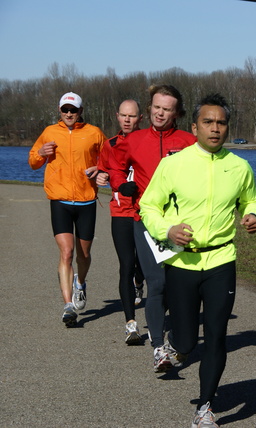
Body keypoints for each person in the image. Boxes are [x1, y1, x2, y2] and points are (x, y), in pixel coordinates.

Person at [139, 93, 256, 428]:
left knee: (217, 335)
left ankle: (204, 407)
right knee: (187, 340)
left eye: (221, 123)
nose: (215, 128)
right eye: (208, 122)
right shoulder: (174, 164)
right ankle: (174, 347)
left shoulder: (239, 166)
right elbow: (148, 206)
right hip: (182, 264)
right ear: (194, 126)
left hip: (222, 259)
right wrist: (168, 229)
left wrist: (253, 216)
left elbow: (252, 200)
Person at [108, 85, 196, 365]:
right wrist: (122, 184)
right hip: (144, 220)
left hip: (180, 224)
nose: (160, 113)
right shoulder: (133, 140)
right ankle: (158, 347)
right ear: (150, 109)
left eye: (167, 109)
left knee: (175, 285)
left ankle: (172, 335)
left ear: (176, 113)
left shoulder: (188, 141)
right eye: (156, 107)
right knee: (156, 283)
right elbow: (115, 166)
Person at [28, 92, 107, 327]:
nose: (69, 114)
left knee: (83, 255)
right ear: (60, 111)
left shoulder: (94, 133)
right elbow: (32, 161)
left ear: (81, 111)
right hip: (60, 200)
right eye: (65, 110)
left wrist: (101, 169)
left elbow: (110, 159)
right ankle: (68, 305)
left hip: (86, 201)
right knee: (66, 253)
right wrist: (40, 154)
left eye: (73, 110)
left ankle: (80, 283)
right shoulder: (50, 132)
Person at [96, 100, 146, 345]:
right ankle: (131, 324)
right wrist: (100, 175)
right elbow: (101, 171)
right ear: (117, 116)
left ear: (140, 118)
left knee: (142, 266)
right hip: (121, 212)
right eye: (123, 116)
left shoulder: (147, 141)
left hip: (146, 213)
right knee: (125, 265)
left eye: (132, 116)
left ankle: (140, 280)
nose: (127, 120)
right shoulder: (110, 145)